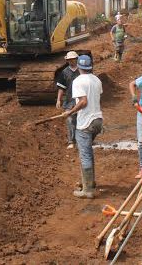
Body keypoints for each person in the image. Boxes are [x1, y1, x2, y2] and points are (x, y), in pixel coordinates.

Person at [63, 54, 103, 198]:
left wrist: (71, 111)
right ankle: (89, 183)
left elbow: (83, 102)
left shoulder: (78, 81)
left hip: (85, 123)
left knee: (85, 154)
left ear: (79, 66)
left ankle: (87, 191)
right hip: (98, 121)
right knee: (88, 151)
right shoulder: (97, 80)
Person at [56, 51, 81, 150]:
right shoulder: (64, 72)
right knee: (70, 120)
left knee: (82, 120)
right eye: (69, 60)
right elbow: (61, 88)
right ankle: (71, 141)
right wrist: (59, 99)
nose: (71, 61)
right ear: (67, 60)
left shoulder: (82, 70)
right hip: (69, 100)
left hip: (81, 100)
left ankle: (83, 140)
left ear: (76, 59)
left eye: (73, 59)